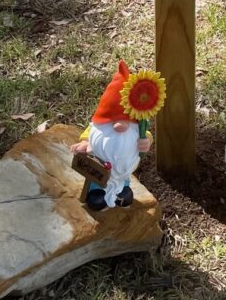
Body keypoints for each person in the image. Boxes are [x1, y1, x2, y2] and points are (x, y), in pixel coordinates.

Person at [70, 61, 165, 209]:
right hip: (99, 170)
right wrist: (85, 144)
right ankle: (97, 192)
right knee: (97, 185)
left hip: (122, 173)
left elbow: (146, 136)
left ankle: (121, 190)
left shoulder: (137, 129)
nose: (120, 126)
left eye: (126, 119)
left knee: (124, 186)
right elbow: (88, 133)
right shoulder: (98, 126)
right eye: (114, 119)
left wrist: (146, 141)